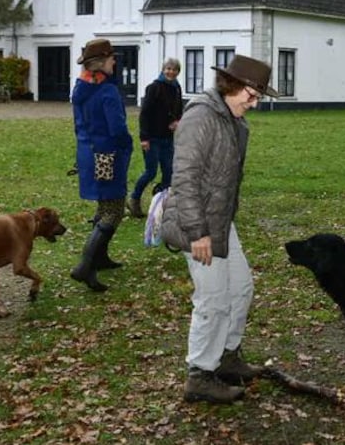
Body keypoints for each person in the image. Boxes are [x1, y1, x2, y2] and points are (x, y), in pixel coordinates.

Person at [155, 54, 278, 404]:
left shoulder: (233, 121)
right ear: (232, 86)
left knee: (240, 288)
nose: (253, 103)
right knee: (212, 300)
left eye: (257, 97)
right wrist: (198, 232)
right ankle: (200, 375)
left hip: (221, 221)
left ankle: (227, 357)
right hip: (195, 224)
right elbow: (185, 177)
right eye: (251, 95)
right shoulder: (202, 117)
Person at [70, 38, 134, 292]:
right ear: (101, 63)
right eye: (111, 58)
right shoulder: (106, 91)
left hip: (88, 151)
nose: (115, 62)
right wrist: (126, 144)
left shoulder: (80, 88)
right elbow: (117, 128)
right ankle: (86, 266)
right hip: (107, 154)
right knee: (114, 210)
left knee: (104, 204)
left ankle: (101, 258)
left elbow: (78, 125)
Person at [127, 58, 184, 218]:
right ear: (163, 69)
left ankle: (161, 201)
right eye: (168, 69)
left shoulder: (176, 88)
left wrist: (177, 121)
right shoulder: (154, 88)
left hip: (167, 138)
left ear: (178, 72)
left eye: (174, 69)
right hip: (152, 138)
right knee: (151, 172)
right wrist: (144, 138)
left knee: (169, 173)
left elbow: (179, 110)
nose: (171, 72)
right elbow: (144, 114)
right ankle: (134, 199)